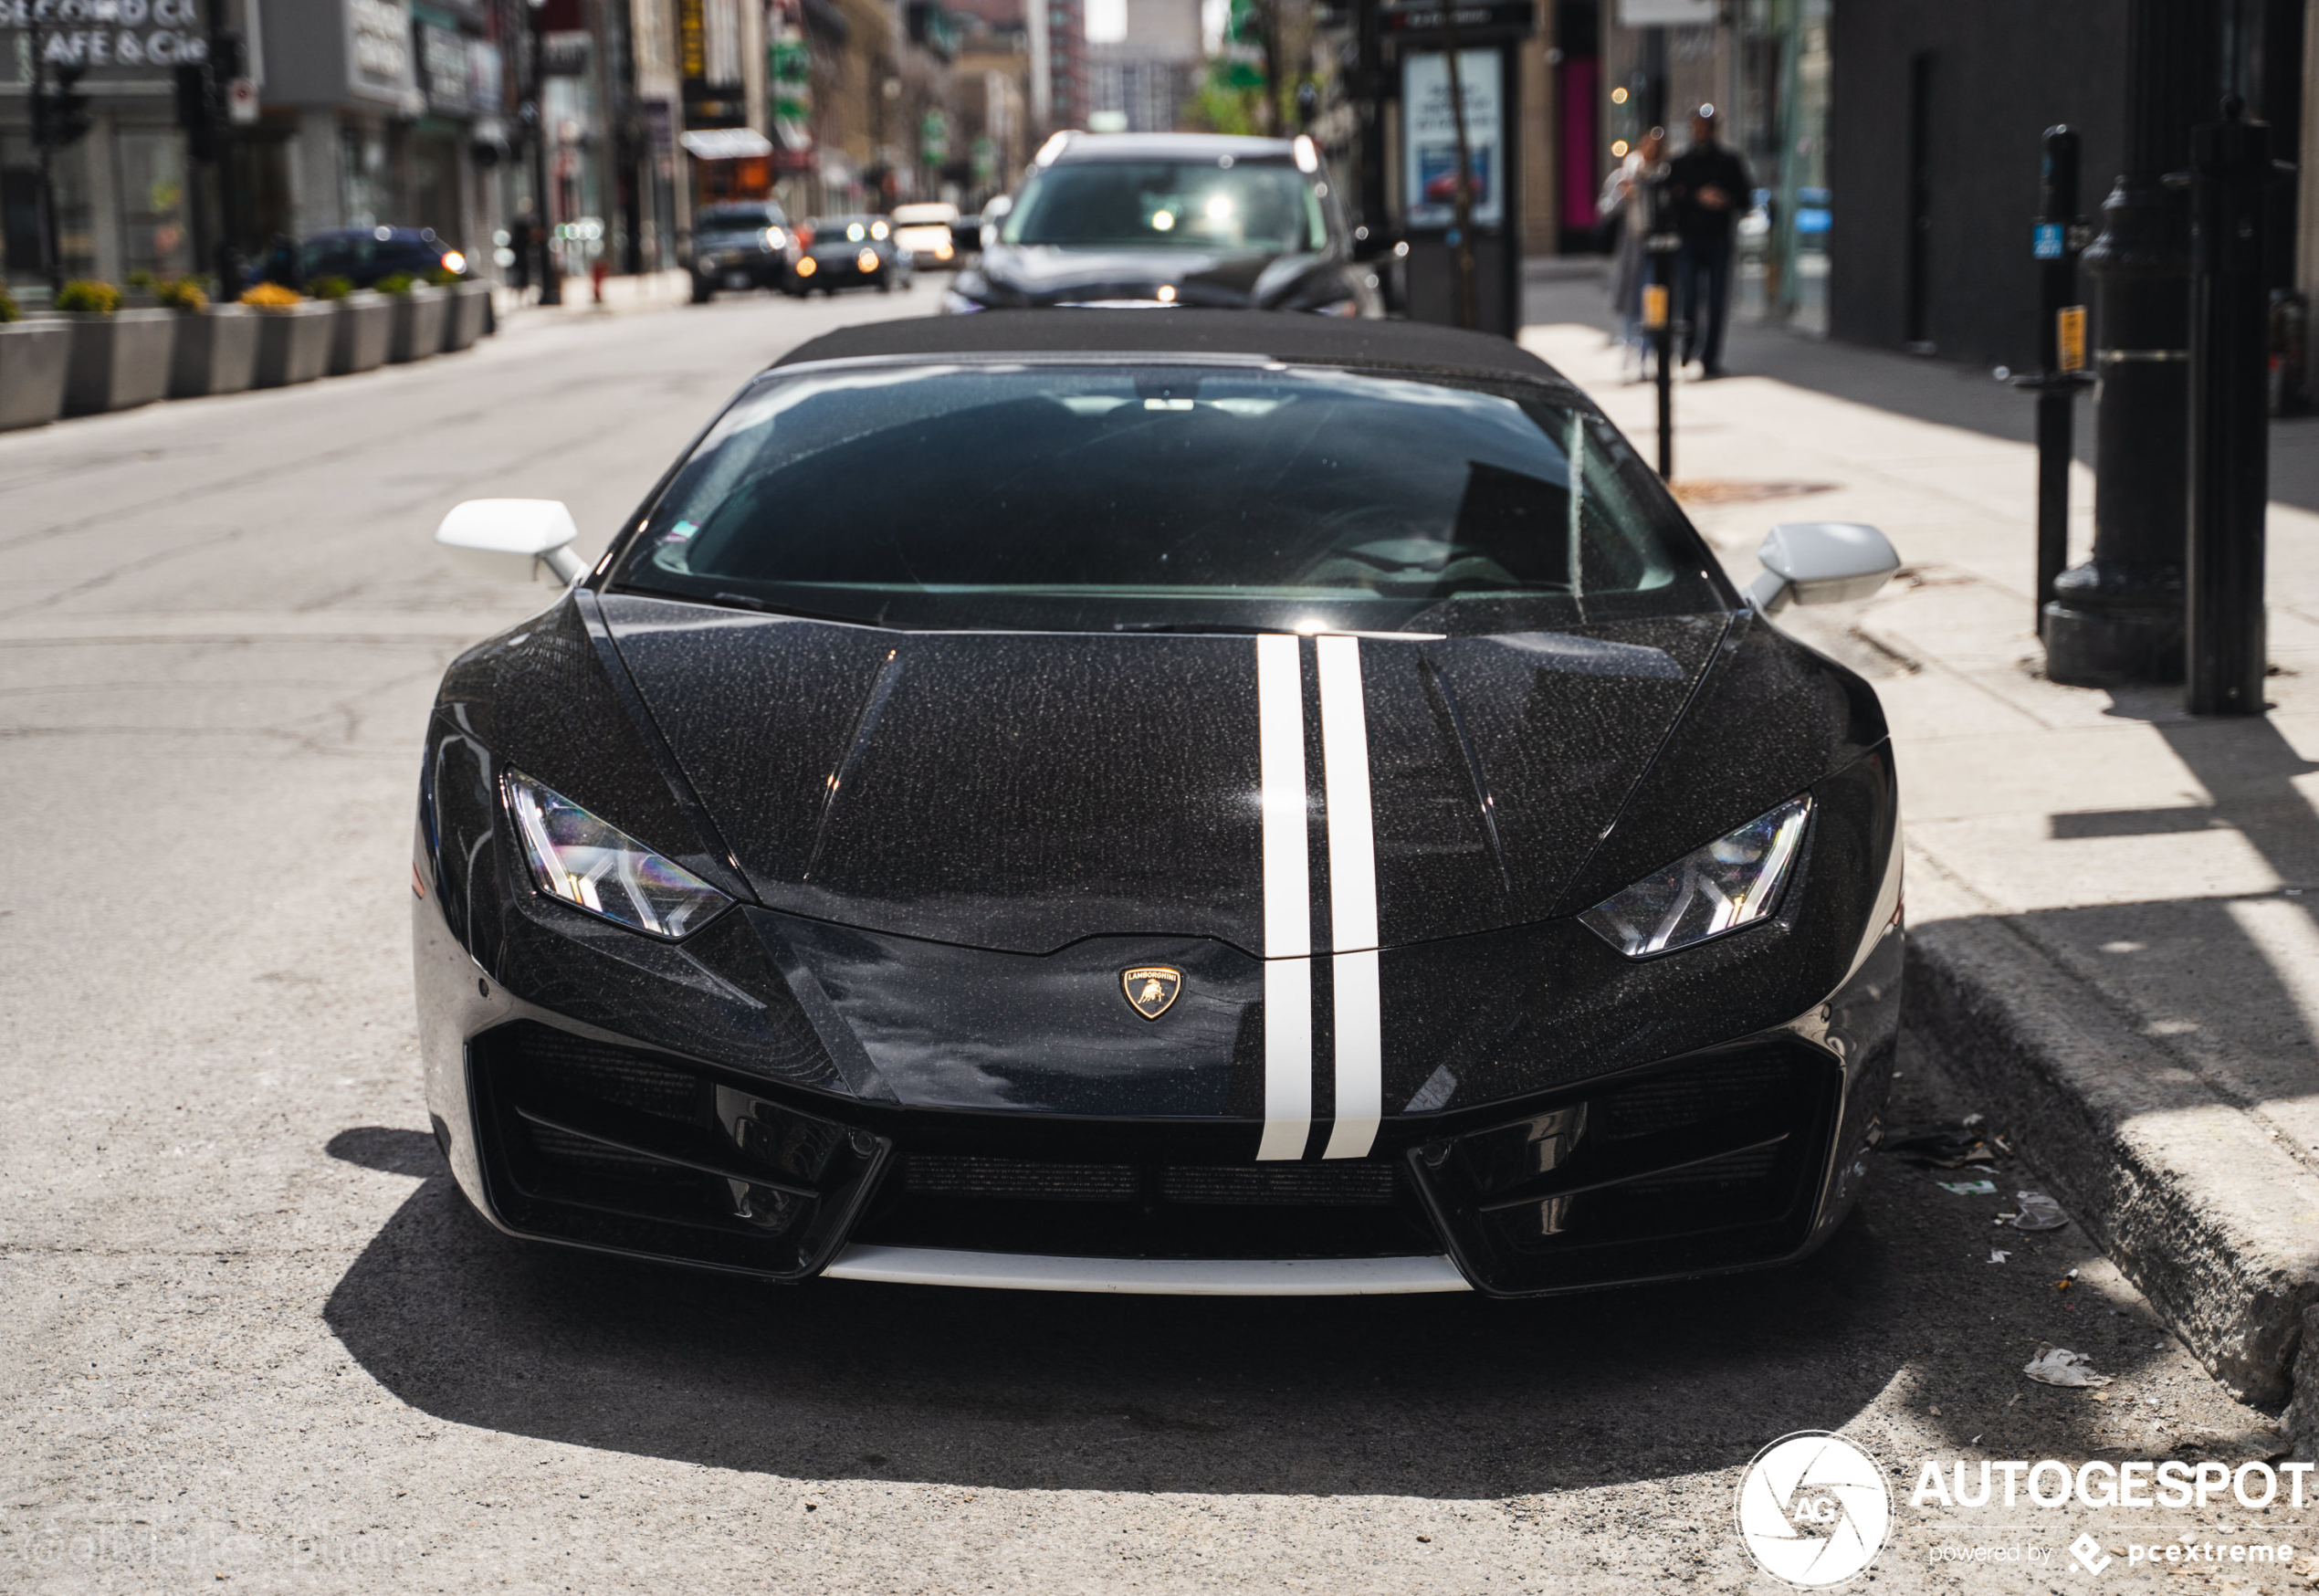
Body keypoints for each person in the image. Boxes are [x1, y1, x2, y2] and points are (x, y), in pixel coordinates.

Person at [1665, 105, 1751, 378]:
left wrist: (1724, 200)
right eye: (1696, 126)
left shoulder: (1728, 161)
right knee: (1688, 297)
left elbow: (1745, 197)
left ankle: (1710, 357)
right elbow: (1670, 200)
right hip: (1689, 239)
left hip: (1718, 239)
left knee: (1716, 300)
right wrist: (1696, 198)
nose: (1700, 131)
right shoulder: (1681, 162)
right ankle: (1688, 344)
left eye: (1705, 126)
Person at [1597, 128, 1666, 382]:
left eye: (1657, 148)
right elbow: (1604, 209)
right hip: (1631, 248)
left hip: (1656, 247)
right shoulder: (1625, 174)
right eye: (1649, 146)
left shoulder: (1663, 175)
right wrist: (1621, 194)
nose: (1652, 152)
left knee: (1653, 301)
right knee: (1629, 301)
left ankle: (1648, 354)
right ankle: (1629, 350)